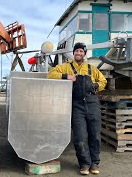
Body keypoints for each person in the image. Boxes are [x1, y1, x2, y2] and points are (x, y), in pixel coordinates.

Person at [47, 42, 107, 175]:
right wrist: (66, 76)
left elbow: (103, 82)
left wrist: (95, 86)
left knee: (95, 136)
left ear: (84, 54)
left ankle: (94, 163)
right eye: (76, 51)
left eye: (81, 51)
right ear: (73, 53)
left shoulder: (92, 69)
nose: (78, 53)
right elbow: (50, 74)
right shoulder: (66, 67)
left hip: (93, 104)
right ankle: (84, 164)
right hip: (76, 105)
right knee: (80, 137)